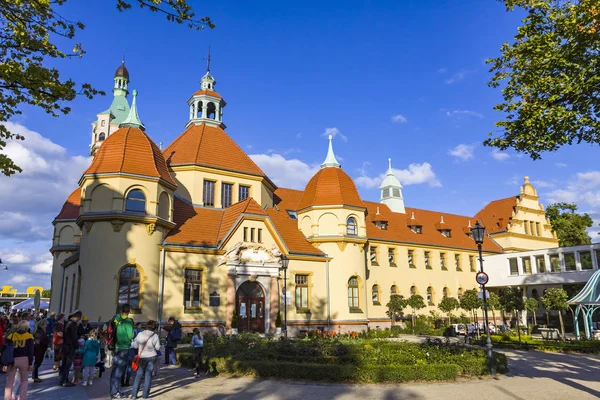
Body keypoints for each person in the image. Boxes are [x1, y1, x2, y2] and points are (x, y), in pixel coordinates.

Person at [3, 320, 34, 400]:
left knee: (9, 381)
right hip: (24, 359)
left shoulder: (11, 336)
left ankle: (7, 398)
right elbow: (31, 351)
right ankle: (22, 398)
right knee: (24, 381)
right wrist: (30, 363)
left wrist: (4, 363)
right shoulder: (29, 336)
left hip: (11, 360)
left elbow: (5, 349)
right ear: (27, 327)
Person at [130, 321, 160, 399]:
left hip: (142, 357)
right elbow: (158, 347)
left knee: (139, 375)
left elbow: (135, 346)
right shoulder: (155, 335)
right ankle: (145, 395)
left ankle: (134, 395)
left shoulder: (140, 334)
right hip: (152, 356)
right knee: (148, 375)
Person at [109, 304, 134, 399]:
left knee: (114, 370)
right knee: (119, 372)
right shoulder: (128, 321)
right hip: (124, 347)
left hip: (116, 346)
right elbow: (130, 335)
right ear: (129, 311)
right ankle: (115, 392)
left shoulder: (117, 318)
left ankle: (114, 390)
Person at [59, 311, 81, 387]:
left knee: (64, 364)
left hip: (65, 346)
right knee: (67, 364)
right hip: (70, 346)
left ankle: (62, 380)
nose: (79, 319)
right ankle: (64, 381)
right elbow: (74, 337)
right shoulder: (73, 324)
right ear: (77, 317)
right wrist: (77, 345)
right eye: (79, 318)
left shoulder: (67, 322)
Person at [33, 319, 49, 383]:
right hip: (39, 349)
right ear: (42, 325)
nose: (46, 326)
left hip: (41, 349)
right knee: (37, 363)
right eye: (45, 324)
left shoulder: (41, 331)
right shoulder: (39, 332)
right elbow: (37, 341)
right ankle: (35, 377)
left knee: (38, 363)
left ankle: (35, 376)